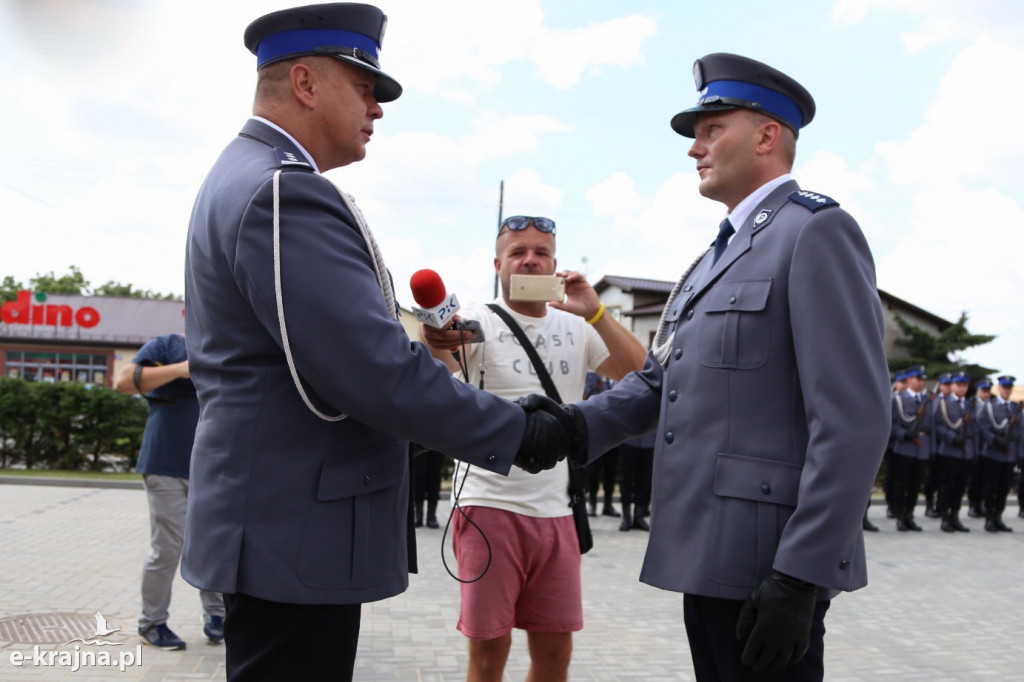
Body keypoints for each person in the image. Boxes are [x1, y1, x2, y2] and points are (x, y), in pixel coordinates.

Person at [179, 6, 572, 680]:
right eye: (364, 88)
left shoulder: (252, 176)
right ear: (305, 83)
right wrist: (513, 430)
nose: (377, 108)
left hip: (278, 519)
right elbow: (369, 369)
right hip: (293, 525)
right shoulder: (284, 192)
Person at [532, 53, 891, 681]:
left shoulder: (815, 233)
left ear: (767, 135)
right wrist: (572, 426)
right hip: (711, 551)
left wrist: (800, 575)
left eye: (710, 129)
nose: (694, 148)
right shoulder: (712, 259)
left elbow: (855, 420)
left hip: (770, 562)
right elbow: (660, 383)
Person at [419, 215, 647, 682]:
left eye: (541, 252)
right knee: (488, 655)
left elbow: (642, 377)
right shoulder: (476, 321)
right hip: (487, 508)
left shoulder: (579, 325)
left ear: (555, 265)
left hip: (558, 512)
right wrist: (435, 340)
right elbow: (438, 370)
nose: (529, 259)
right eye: (518, 251)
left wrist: (597, 311)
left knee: (555, 652)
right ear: (497, 263)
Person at [115, 329, 225, 651]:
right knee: (168, 548)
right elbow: (123, 381)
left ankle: (217, 617)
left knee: (215, 545)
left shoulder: (227, 341)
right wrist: (181, 369)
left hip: (214, 469)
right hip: (166, 465)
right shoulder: (168, 345)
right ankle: (152, 622)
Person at [933, 372, 979, 532]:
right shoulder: (944, 403)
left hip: (966, 452)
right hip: (950, 451)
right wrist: (953, 438)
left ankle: (955, 516)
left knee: (960, 487)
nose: (962, 388)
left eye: (964, 385)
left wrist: (969, 435)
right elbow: (938, 426)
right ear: (952, 386)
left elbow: (974, 426)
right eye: (958, 384)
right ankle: (945, 517)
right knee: (948, 486)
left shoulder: (969, 404)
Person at [889, 365, 932, 531]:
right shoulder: (898, 399)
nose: (921, 382)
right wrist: (904, 434)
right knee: (902, 485)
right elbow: (891, 423)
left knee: (915, 486)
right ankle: (900, 517)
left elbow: (930, 423)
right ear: (909, 380)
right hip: (905, 448)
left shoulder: (926, 400)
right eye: (917, 379)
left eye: (922, 379)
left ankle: (909, 516)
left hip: (921, 449)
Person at [977, 375, 1020, 531]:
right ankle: (989, 519)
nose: (1007, 390)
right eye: (1004, 387)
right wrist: (995, 440)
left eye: (1009, 388)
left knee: (1004, 488)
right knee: (992, 487)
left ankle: (998, 517)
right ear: (999, 388)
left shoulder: (1015, 407)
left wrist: (1015, 437)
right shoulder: (989, 406)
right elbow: (982, 426)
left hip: (1009, 454)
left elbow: (1019, 428)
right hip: (993, 453)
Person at [583, 374, 621, 518]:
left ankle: (608, 504)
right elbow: (583, 398)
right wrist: (593, 387)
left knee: (610, 472)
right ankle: (592, 504)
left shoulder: (617, 377)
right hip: (595, 433)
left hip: (614, 434)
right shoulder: (592, 377)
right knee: (593, 470)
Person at [924, 373, 954, 517]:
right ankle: (929, 504)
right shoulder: (935, 401)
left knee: (944, 480)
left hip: (947, 448)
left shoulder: (952, 402)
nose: (948, 387)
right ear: (940, 385)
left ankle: (940, 506)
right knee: (932, 478)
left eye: (950, 384)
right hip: (935, 446)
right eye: (945, 384)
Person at [617, 431, 655, 532]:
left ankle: (639, 517)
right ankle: (626, 517)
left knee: (645, 481)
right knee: (626, 479)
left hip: (650, 440)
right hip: (629, 439)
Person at [967, 378, 993, 517]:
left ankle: (979, 504)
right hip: (974, 446)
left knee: (984, 478)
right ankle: (972, 505)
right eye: (984, 391)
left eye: (988, 391)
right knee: (974, 478)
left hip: (987, 447)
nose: (987, 394)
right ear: (978, 391)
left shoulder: (991, 405)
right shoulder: (971, 404)